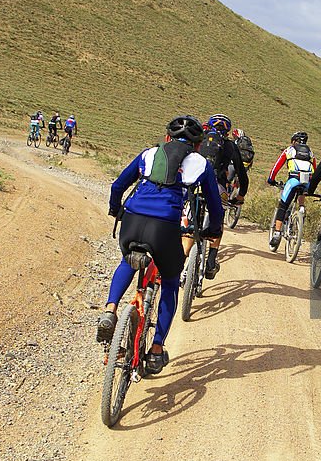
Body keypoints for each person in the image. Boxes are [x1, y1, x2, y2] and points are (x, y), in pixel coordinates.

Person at [99, 116, 224, 374]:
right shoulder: (200, 163)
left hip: (132, 221)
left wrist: (115, 210)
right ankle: (156, 349)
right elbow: (214, 205)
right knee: (169, 281)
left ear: (167, 138)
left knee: (127, 261)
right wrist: (212, 231)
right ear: (198, 145)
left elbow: (118, 185)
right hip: (164, 227)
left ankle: (110, 309)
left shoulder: (150, 153)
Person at [184, 113, 248, 280]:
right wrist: (240, 196)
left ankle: (182, 257)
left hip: (195, 184)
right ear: (227, 131)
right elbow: (242, 174)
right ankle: (211, 261)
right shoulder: (230, 146)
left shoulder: (200, 138)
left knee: (191, 221)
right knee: (218, 219)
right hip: (217, 187)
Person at [267, 131, 316, 250]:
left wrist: (271, 179)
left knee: (283, 206)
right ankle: (301, 208)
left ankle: (277, 233)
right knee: (302, 188)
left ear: (294, 141)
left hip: (293, 180)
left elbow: (277, 166)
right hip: (307, 182)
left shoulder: (289, 150)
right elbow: (315, 168)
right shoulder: (310, 152)